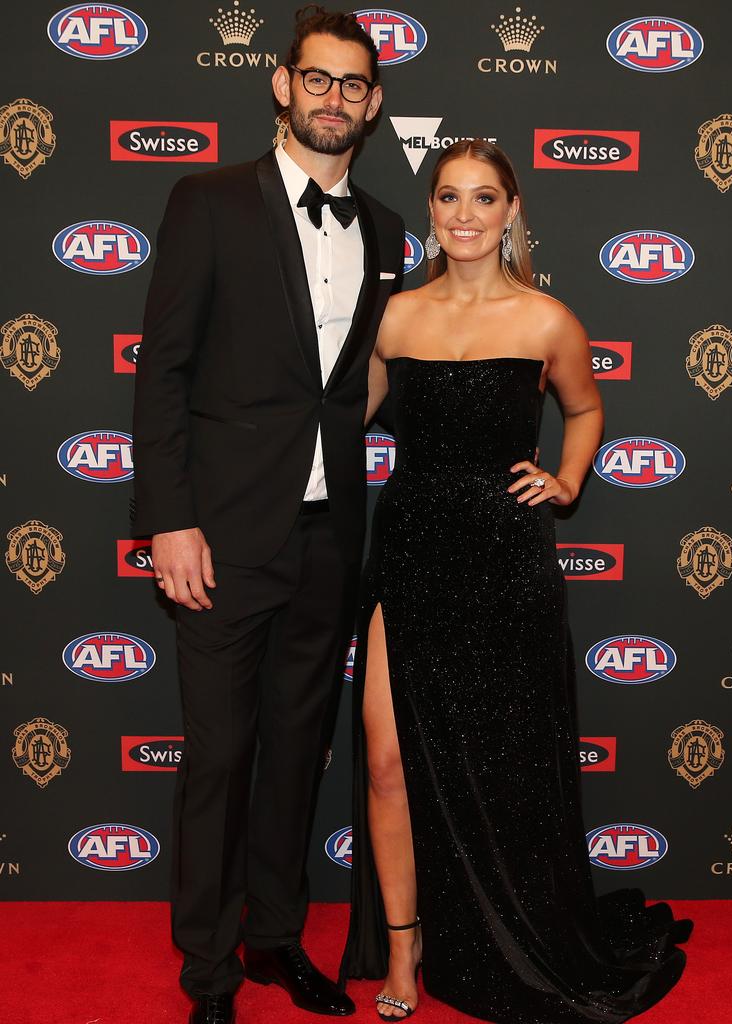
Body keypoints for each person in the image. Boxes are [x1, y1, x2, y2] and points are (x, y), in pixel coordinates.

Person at [339, 139, 692, 1023]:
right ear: (431, 211)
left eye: (484, 199)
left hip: (505, 561)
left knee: (509, 769)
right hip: (411, 547)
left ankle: (512, 928)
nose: (465, 214)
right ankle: (403, 949)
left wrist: (567, 479)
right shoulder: (393, 317)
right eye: (450, 197)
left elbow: (585, 406)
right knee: (387, 762)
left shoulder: (547, 321)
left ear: (511, 212)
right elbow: (340, 416)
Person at [131, 7, 404, 1023]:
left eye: (354, 84)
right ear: (282, 86)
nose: (335, 97)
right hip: (220, 537)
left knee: (299, 749)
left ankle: (274, 940)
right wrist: (169, 519)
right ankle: (207, 972)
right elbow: (162, 374)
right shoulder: (206, 201)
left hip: (331, 537)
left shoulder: (383, 226)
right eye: (318, 79)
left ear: (373, 105)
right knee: (219, 757)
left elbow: (356, 378)